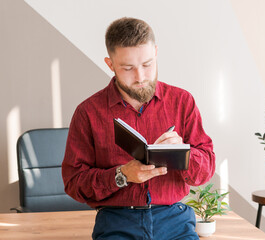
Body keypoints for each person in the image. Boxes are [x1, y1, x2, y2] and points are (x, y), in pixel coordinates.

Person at [62, 17, 215, 240]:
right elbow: (74, 183)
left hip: (174, 221)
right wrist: (121, 175)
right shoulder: (88, 112)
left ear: (156, 52)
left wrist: (184, 153)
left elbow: (206, 170)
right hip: (116, 222)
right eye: (128, 68)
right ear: (110, 64)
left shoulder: (182, 101)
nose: (141, 77)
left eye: (147, 64)